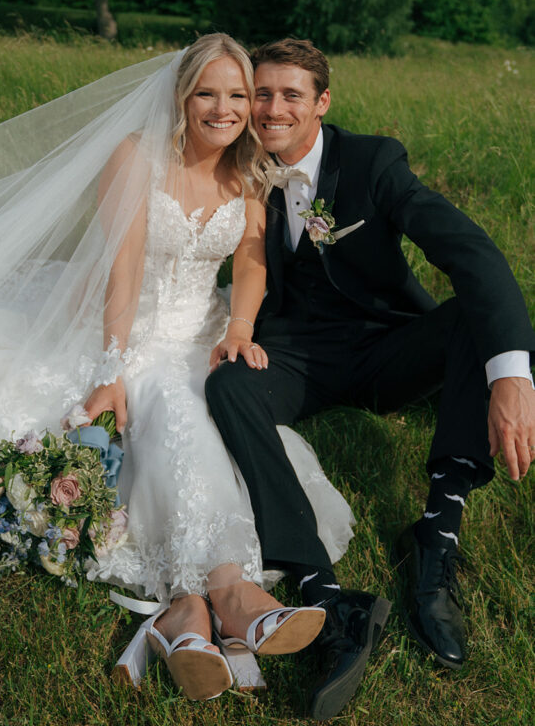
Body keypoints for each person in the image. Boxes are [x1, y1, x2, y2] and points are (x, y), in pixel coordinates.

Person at [0, 34, 354, 701]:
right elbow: (121, 274)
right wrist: (113, 367)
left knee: (219, 415)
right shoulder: (136, 158)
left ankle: (188, 613)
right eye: (207, 92)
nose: (223, 108)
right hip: (122, 329)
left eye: (237, 95)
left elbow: (253, 260)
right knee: (179, 414)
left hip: (197, 334)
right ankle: (225, 592)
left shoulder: (248, 167)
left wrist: (237, 328)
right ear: (181, 96)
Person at [206, 37, 535, 719]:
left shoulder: (372, 162)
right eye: (260, 93)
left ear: (321, 102)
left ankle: (434, 539)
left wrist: (510, 376)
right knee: (227, 385)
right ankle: (319, 590)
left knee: (473, 320)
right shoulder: (234, 161)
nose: (271, 109)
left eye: (290, 94)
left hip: (384, 347)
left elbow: (469, 251)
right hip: (292, 354)